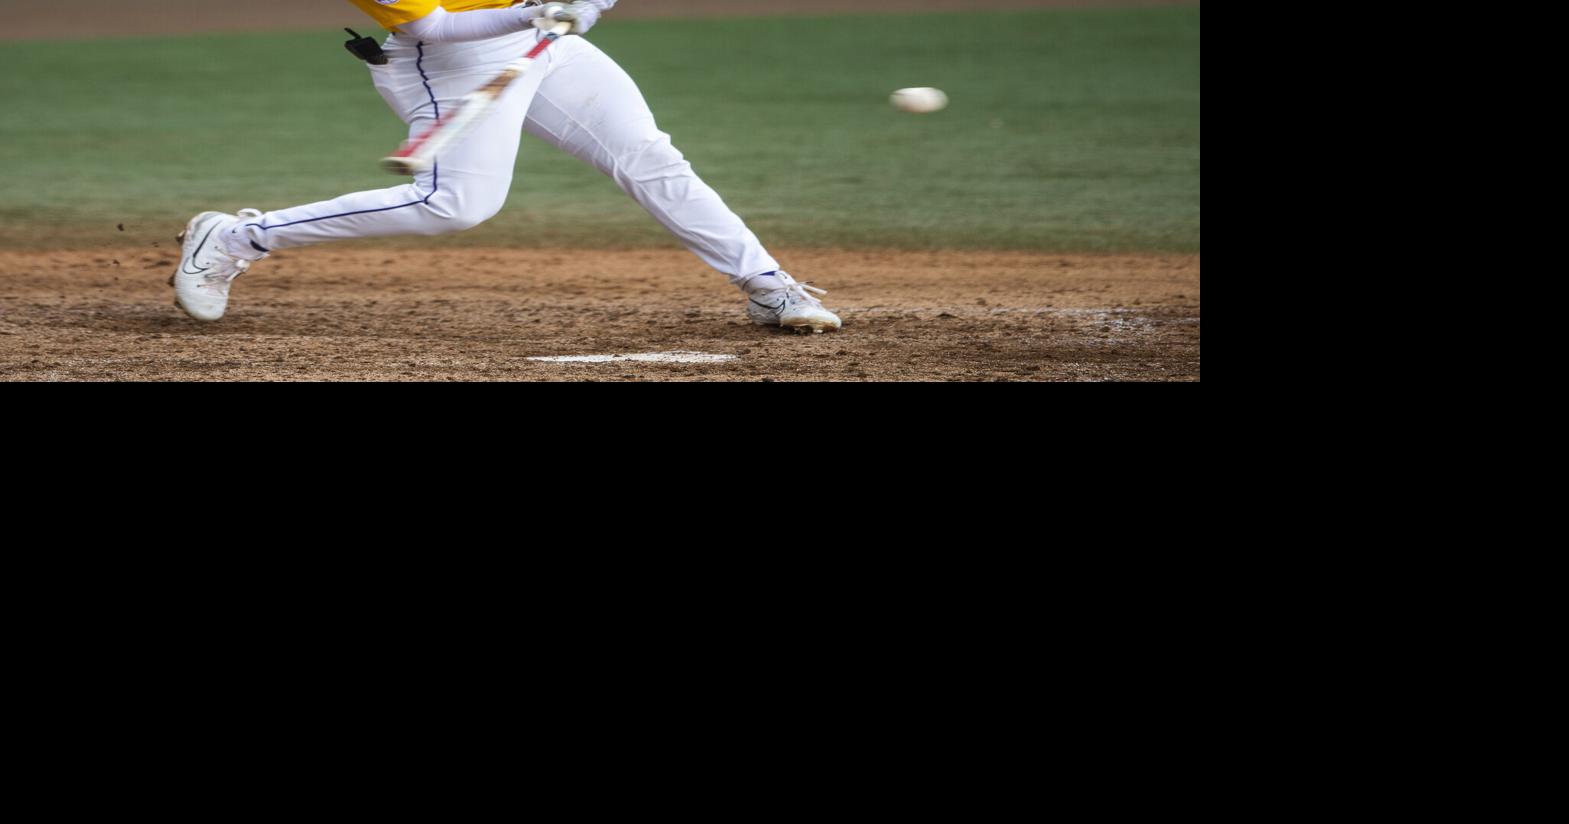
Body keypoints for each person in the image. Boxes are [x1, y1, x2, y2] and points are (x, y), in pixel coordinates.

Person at [171, 0, 841, 333]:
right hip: (454, 60)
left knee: (648, 156)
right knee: (455, 206)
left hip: (548, 46)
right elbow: (434, 26)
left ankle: (768, 284)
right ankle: (235, 237)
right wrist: (530, 9)